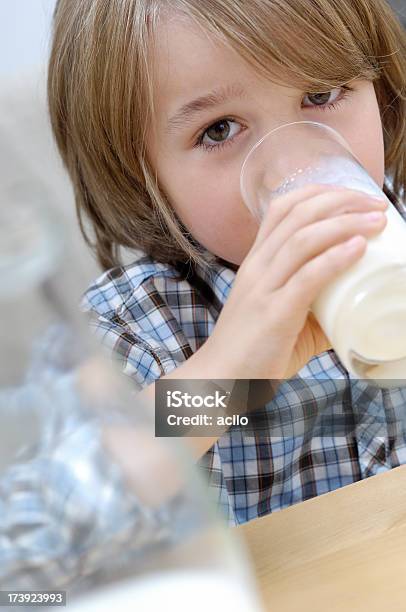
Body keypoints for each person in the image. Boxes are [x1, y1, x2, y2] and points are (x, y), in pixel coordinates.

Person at [47, 0, 406, 525]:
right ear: (142, 177)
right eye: (219, 130)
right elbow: (64, 509)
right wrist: (228, 377)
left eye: (322, 94)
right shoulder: (144, 324)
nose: (296, 166)